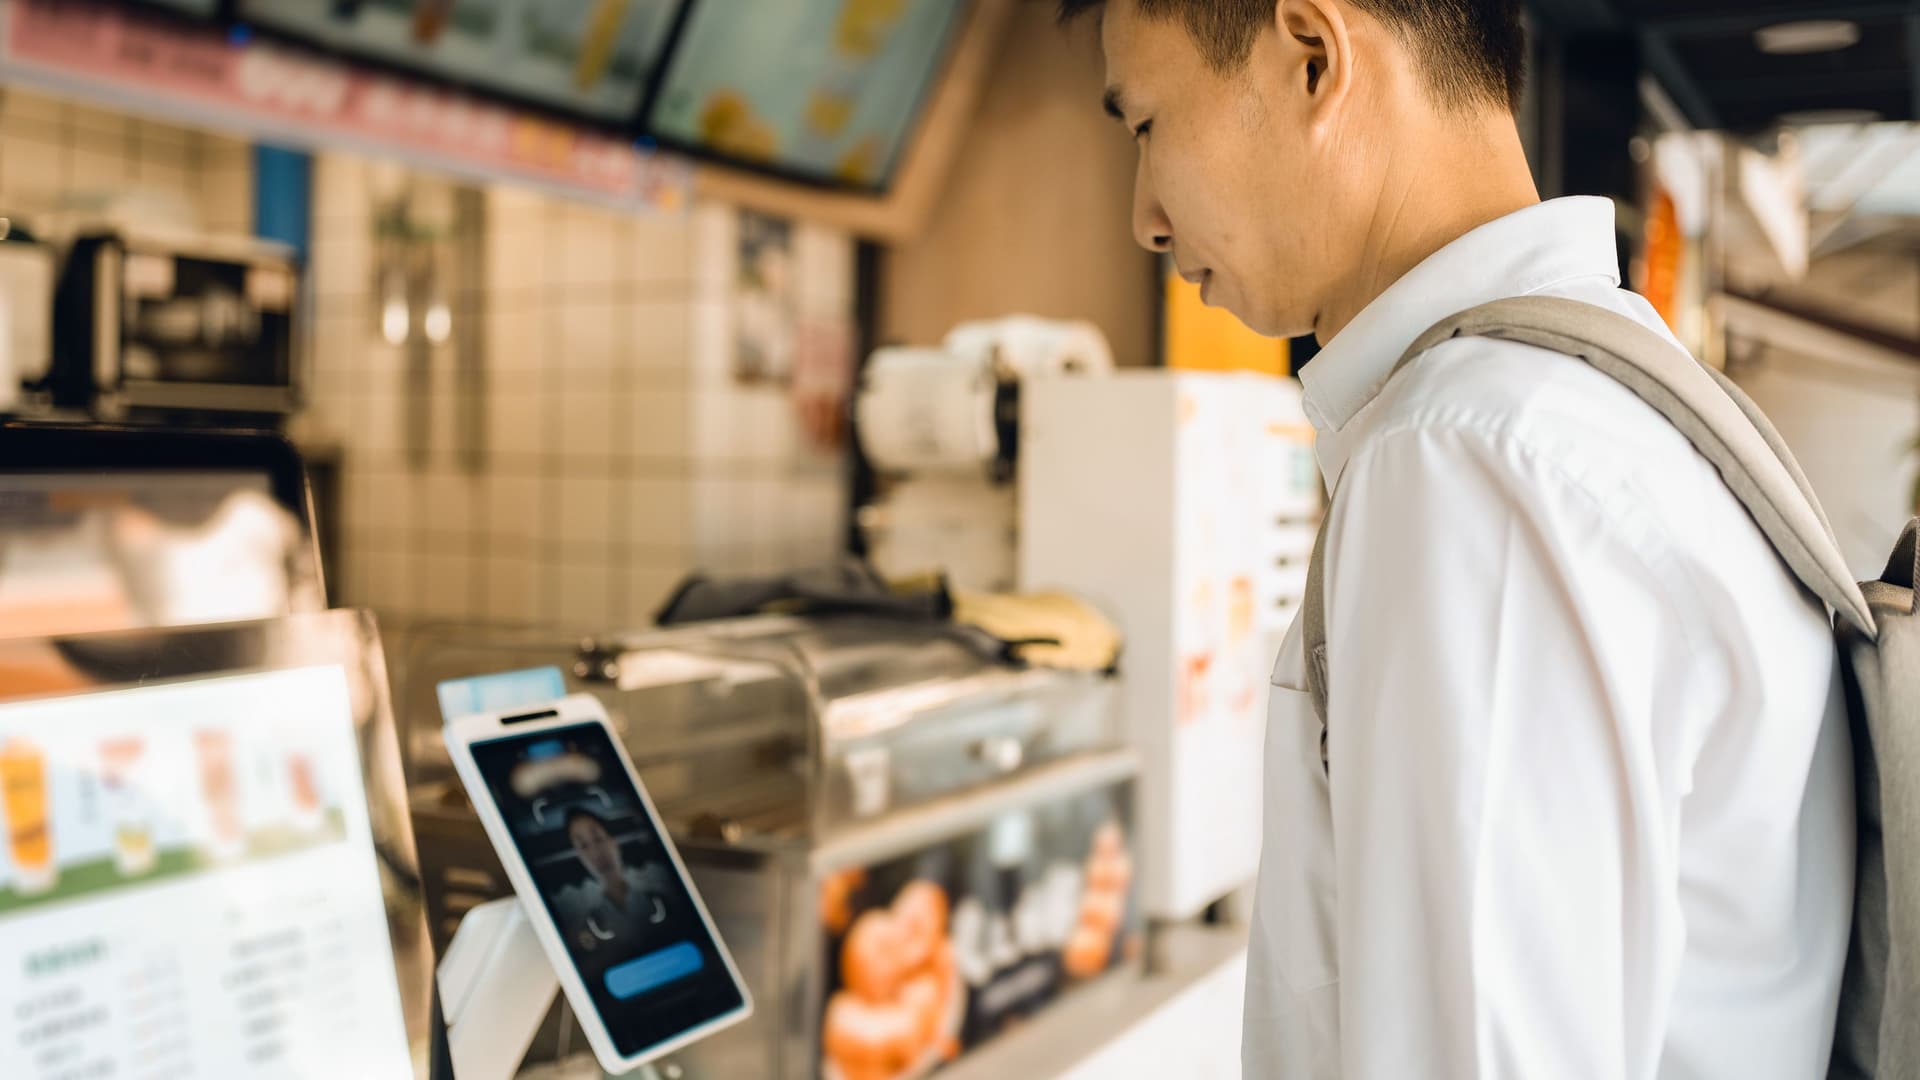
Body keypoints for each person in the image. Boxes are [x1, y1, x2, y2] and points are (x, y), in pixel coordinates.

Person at [1057, 2, 1851, 1077]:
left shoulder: (1470, 456)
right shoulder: (1597, 399)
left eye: (1145, 124)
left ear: (1312, 59)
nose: (1144, 216)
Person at [553, 807, 673, 958]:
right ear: (579, 856)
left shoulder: (659, 877)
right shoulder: (574, 907)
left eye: (598, 838)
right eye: (583, 846)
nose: (596, 852)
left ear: (613, 840)